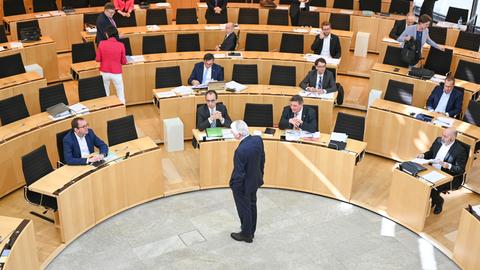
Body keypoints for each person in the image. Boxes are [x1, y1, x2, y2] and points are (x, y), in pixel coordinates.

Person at [417, 127, 467, 214]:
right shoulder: (438, 141)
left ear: (453, 138)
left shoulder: (460, 151)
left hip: (448, 176)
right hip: (432, 170)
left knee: (432, 188)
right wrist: (423, 155)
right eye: (442, 135)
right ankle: (430, 201)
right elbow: (431, 153)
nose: (442, 138)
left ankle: (439, 202)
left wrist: (448, 166)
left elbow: (460, 170)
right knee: (417, 179)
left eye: (445, 136)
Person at [230, 120, 265, 243]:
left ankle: (246, 234)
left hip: (243, 186)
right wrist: (260, 175)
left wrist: (235, 187)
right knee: (252, 205)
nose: (231, 132)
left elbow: (239, 174)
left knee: (244, 209)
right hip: (254, 180)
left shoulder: (240, 151)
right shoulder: (257, 140)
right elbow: (262, 159)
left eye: (232, 131)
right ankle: (251, 230)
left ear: (238, 134)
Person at [96, 25, 127, 104]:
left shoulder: (101, 43)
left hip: (104, 72)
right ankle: (122, 109)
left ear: (107, 34)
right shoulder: (121, 45)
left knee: (105, 93)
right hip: (116, 73)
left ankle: (107, 109)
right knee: (120, 93)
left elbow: (98, 59)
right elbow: (124, 62)